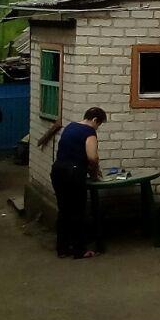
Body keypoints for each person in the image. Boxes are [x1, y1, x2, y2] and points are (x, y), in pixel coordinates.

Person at [51, 107, 106, 259]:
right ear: (95, 120)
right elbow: (92, 157)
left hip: (58, 170)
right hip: (73, 174)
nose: (97, 128)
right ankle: (79, 250)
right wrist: (94, 173)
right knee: (78, 211)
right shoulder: (89, 132)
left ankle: (62, 248)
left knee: (64, 211)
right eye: (99, 124)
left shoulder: (70, 126)